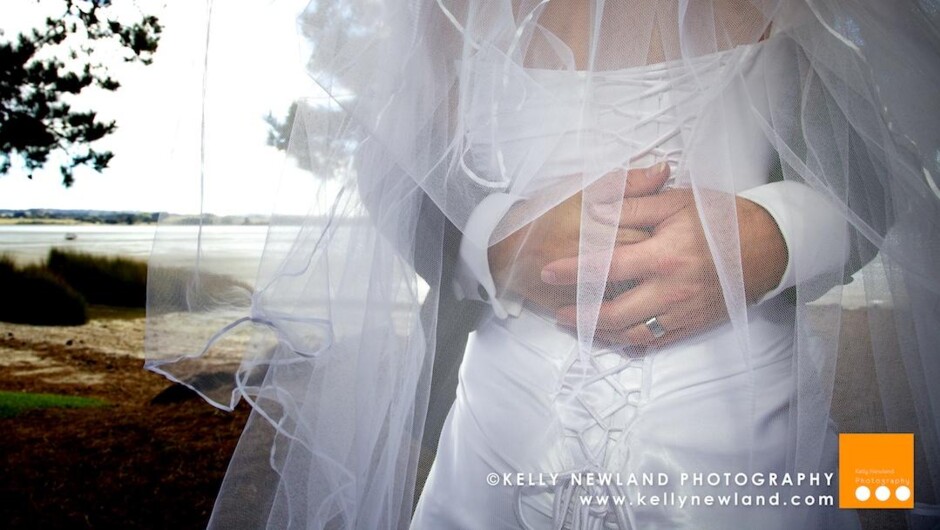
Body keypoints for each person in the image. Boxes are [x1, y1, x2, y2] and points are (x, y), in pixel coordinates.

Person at [144, 1, 940, 528]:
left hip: (747, 431)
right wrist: (494, 241)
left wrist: (779, 232)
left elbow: (888, 155)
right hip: (498, 425)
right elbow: (396, 167)